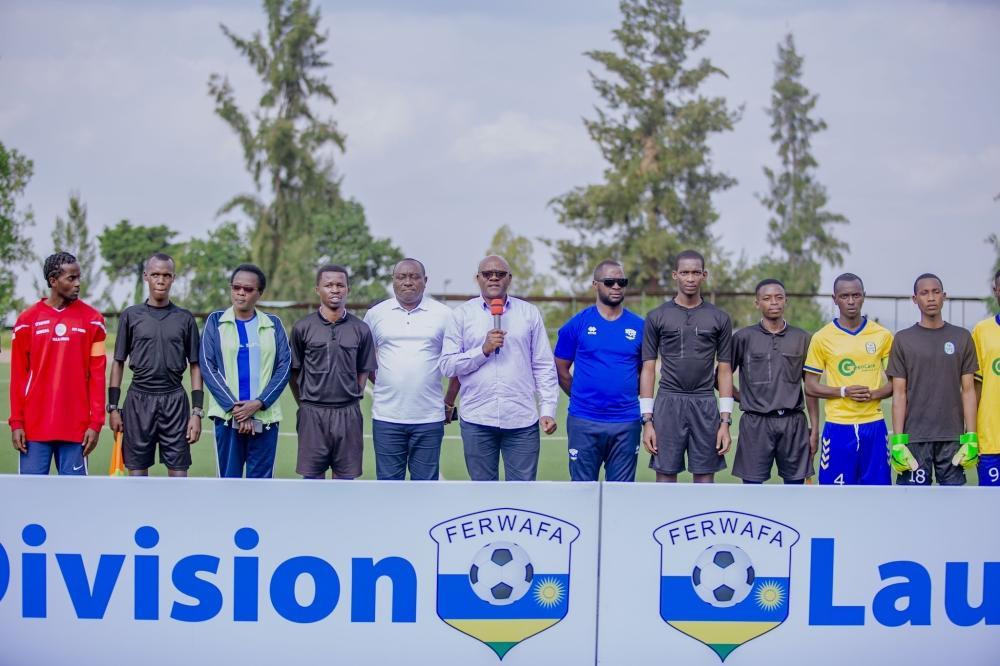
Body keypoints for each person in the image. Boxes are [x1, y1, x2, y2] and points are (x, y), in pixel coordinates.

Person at [440, 255, 558, 481]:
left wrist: (547, 410)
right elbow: (448, 365)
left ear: (509, 279)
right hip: (477, 419)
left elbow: (543, 366)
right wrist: (482, 350)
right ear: (478, 278)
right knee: (483, 494)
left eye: (500, 274)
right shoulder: (461, 315)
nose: (493, 278)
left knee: (522, 493)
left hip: (521, 420)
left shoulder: (529, 313)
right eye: (487, 274)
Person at [640, 250, 734, 483]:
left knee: (704, 480)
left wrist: (725, 421)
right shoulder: (656, 316)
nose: (690, 278)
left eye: (695, 272)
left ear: (704, 275)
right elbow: (648, 369)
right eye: (684, 273)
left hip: (705, 402)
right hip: (668, 402)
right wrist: (647, 421)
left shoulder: (720, 318)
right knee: (665, 478)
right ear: (675, 275)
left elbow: (724, 371)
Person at [8, 252, 106, 475]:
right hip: (34, 429)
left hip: (77, 430)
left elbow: (97, 376)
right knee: (31, 496)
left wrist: (95, 424)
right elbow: (18, 377)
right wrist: (17, 423)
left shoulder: (94, 322)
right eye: (71, 278)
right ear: (53, 280)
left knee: (74, 496)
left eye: (79, 277)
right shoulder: (26, 321)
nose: (78, 283)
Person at [363, 258, 460, 480]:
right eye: (402, 277)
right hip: (387, 418)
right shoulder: (375, 314)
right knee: (389, 486)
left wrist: (449, 401)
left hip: (429, 418)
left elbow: (457, 362)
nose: (408, 282)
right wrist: (385, 382)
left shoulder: (445, 314)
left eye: (414, 277)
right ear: (393, 280)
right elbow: (364, 359)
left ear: (425, 281)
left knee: (425, 488)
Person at [108, 253, 203, 477]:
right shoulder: (131, 316)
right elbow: (118, 362)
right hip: (138, 402)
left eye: (166, 275)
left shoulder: (185, 318)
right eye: (155, 275)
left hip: (175, 401)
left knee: (179, 476)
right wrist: (113, 408)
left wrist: (197, 412)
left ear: (173, 278)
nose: (161, 280)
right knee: (137, 476)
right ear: (146, 276)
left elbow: (195, 366)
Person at [554, 260, 643, 481]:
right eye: (609, 282)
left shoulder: (640, 326)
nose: (616, 286)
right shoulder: (577, 324)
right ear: (596, 284)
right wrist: (580, 397)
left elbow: (644, 373)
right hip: (584, 420)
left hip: (626, 422)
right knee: (582, 491)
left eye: (622, 282)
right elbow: (560, 368)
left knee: (621, 494)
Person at [886, 274, 978, 485]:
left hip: (952, 439)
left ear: (944, 296)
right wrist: (898, 441)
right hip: (915, 439)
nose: (931, 298)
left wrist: (971, 437)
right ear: (914, 298)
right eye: (924, 293)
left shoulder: (962, 337)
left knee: (954, 501)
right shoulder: (903, 339)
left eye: (936, 292)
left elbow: (968, 391)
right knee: (913, 501)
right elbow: (899, 393)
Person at [201, 264, 291, 478]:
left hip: (265, 419)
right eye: (236, 287)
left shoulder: (273, 324)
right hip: (227, 418)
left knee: (261, 485)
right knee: (228, 483)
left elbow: (284, 366)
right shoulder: (215, 321)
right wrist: (237, 410)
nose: (241, 293)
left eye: (248, 289)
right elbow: (208, 366)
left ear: (259, 293)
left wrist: (259, 403)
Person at [804, 273, 893, 485]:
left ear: (864, 296)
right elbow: (810, 386)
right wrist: (844, 391)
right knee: (835, 495)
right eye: (844, 296)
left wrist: (874, 394)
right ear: (835, 299)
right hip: (838, 426)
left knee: (879, 493)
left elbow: (895, 384)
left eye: (856, 295)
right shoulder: (822, 337)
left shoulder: (882, 335)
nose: (851, 301)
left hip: (874, 425)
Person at [291, 264, 377, 480]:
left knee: (345, 481)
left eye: (340, 285)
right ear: (317, 289)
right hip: (312, 412)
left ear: (348, 289)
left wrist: (354, 394)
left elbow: (364, 368)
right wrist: (304, 402)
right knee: (312, 480)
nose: (335, 289)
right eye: (328, 285)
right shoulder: (302, 327)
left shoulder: (361, 329)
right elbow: (294, 371)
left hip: (348, 413)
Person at [730, 279, 819, 484]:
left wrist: (814, 429)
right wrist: (746, 399)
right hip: (755, 423)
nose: (774, 302)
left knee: (795, 488)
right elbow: (721, 377)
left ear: (786, 301)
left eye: (779, 297)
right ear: (757, 303)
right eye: (767, 298)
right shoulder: (743, 337)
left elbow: (811, 388)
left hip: (793, 423)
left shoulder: (803, 338)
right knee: (752, 487)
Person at [972, 269, 1000, 486]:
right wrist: (971, 433)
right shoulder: (982, 331)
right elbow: (975, 388)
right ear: (995, 290)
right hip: (991, 440)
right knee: (991, 503)